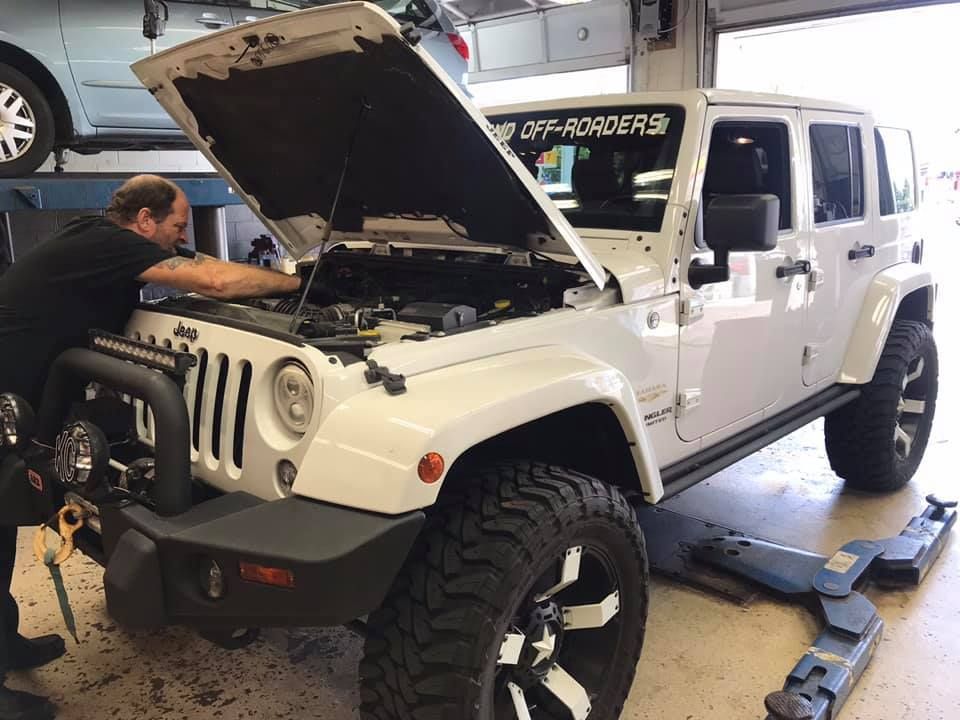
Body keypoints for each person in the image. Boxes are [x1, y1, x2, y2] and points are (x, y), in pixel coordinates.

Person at [0, 174, 311, 720]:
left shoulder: (93, 234)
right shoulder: (109, 245)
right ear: (144, 221)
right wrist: (299, 282)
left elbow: (197, 264)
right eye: (176, 225)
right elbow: (212, 279)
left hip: (18, 407)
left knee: (1, 534)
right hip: (7, 405)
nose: (180, 236)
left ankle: (6, 645)